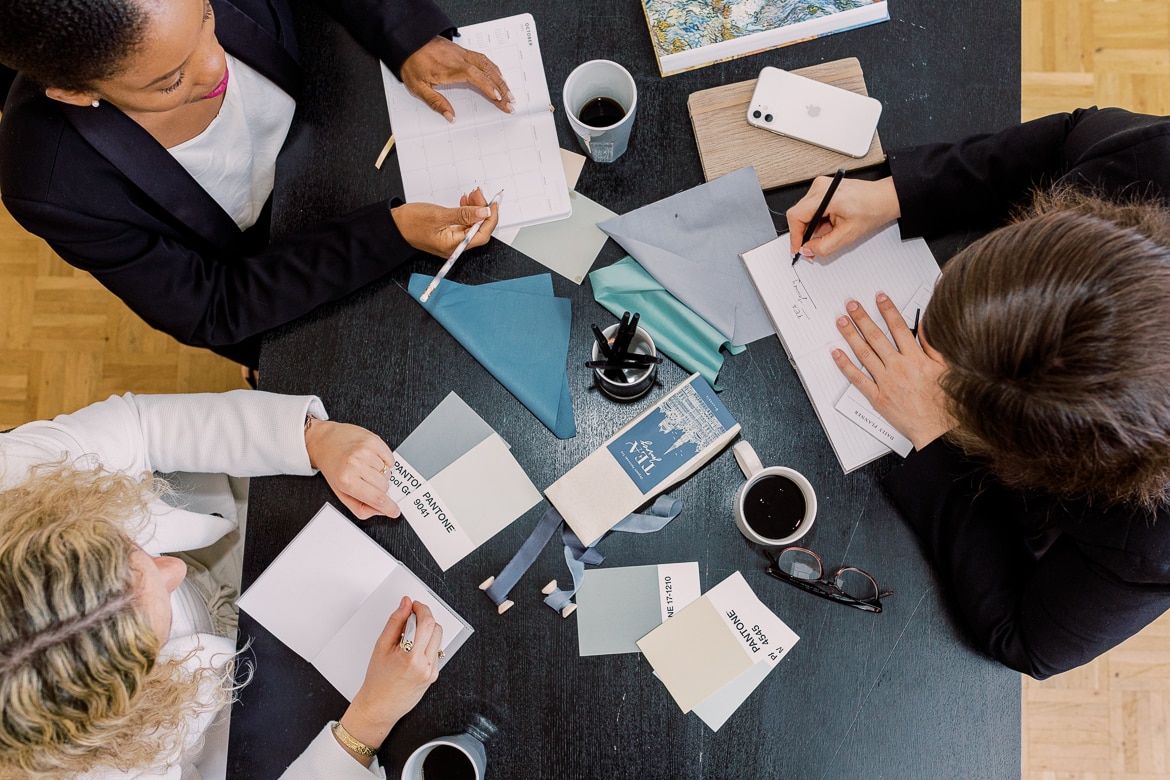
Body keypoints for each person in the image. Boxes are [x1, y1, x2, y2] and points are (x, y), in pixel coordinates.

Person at [786, 106, 1170, 680]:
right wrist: (895, 196)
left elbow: (1027, 643)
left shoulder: (1149, 538)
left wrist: (932, 432)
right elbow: (1070, 136)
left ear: (1026, 457)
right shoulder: (1150, 163)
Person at [0, 0, 511, 367]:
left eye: (205, 14)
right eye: (170, 80)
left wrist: (403, 31)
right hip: (286, 271)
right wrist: (390, 233)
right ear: (72, 93)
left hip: (342, 113)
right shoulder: (50, 186)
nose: (217, 64)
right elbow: (212, 305)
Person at [0, 390, 441, 777]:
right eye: (151, 630)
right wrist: (368, 723)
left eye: (127, 551)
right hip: (240, 718)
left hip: (224, 539)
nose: (173, 569)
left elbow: (144, 426)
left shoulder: (21, 472)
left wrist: (312, 438)